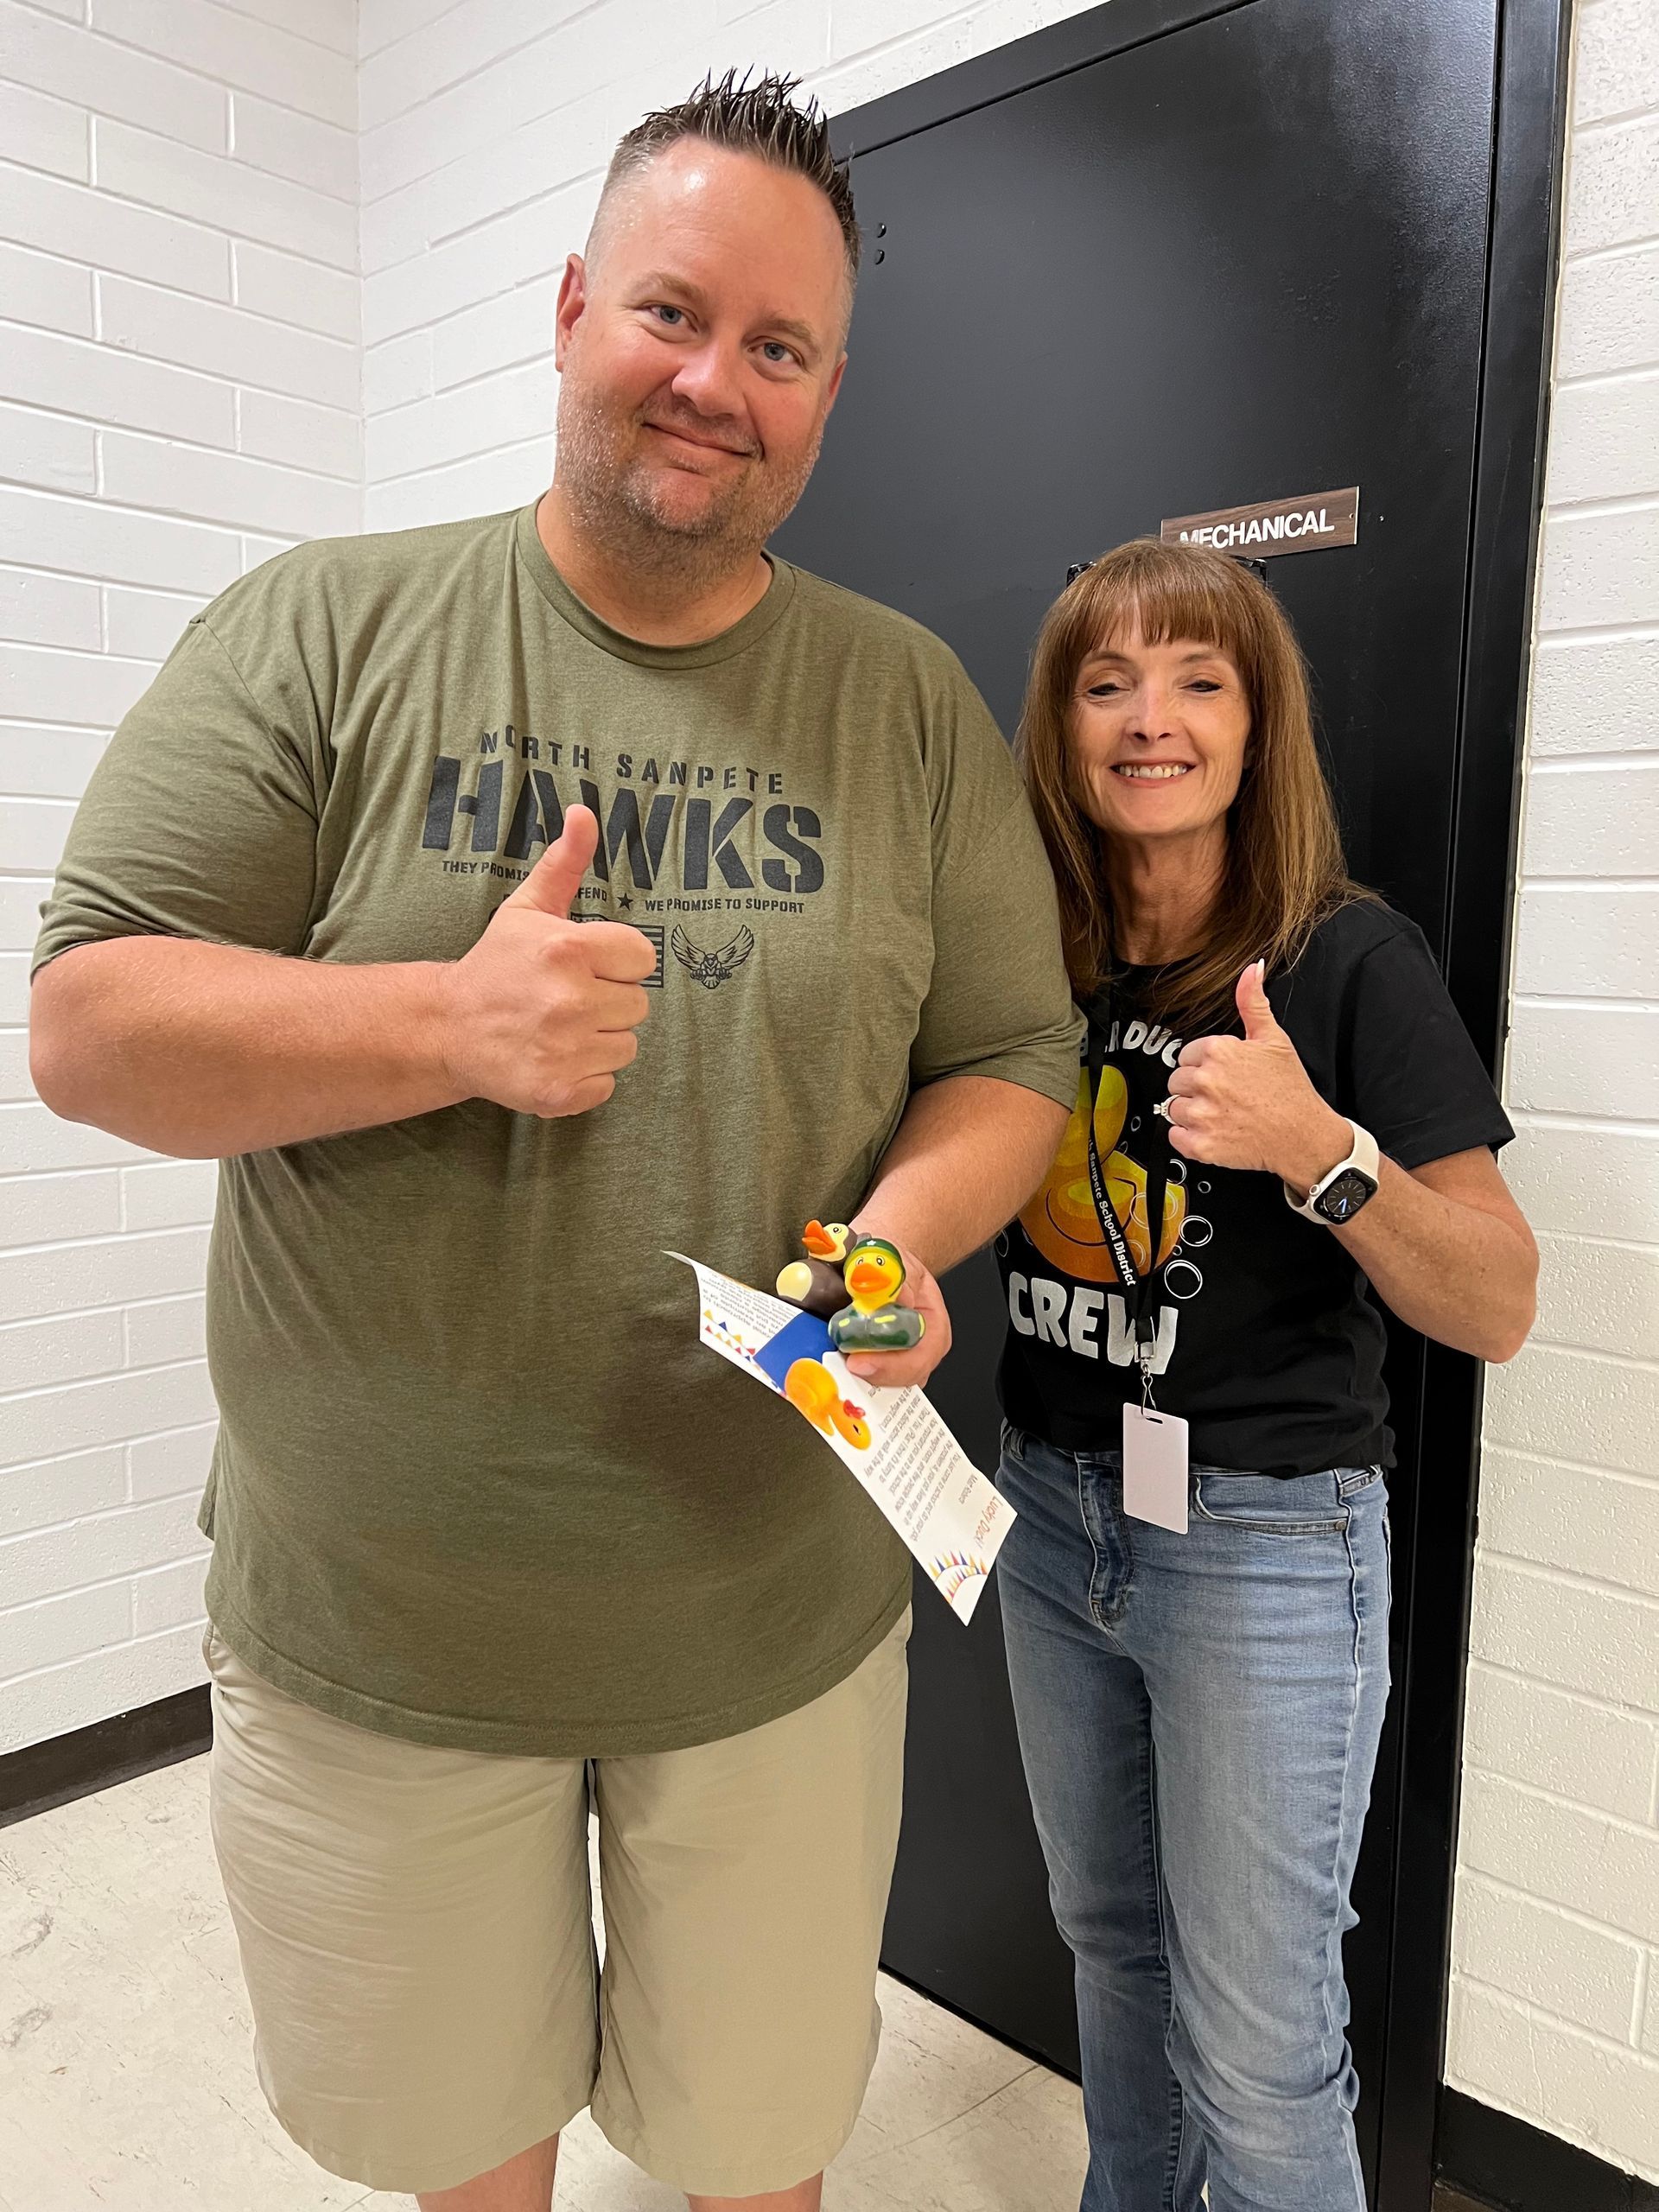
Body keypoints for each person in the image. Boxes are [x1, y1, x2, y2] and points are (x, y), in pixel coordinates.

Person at [28, 74, 1080, 2212]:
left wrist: (903, 1230)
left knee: (758, 2145)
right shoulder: (327, 629)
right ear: (579, 303)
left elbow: (1016, 1058)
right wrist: (443, 1019)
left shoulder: (900, 703)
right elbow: (86, 1024)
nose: (717, 383)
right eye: (675, 314)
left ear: (832, 389)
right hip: (381, 1637)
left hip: (772, 1628)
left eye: (780, 349)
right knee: (465, 2161)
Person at [993, 537, 1536, 2212]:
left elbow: (1499, 1299)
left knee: (1258, 2039)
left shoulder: (1345, 958)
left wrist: (1324, 1151)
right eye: (1108, 680)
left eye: (1198, 679)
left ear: (1254, 724)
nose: (1150, 719)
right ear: (1062, 723)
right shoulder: (1032, 951)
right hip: (1046, 1507)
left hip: (1265, 1542)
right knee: (1110, 1952)